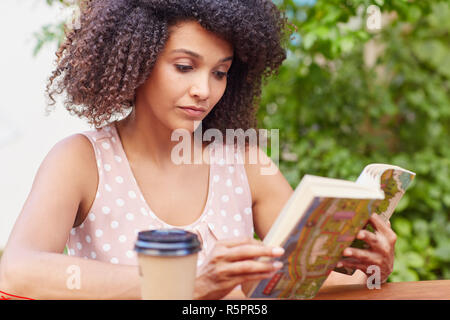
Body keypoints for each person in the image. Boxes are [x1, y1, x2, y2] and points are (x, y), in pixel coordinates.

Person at [0, 0, 397, 300]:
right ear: (137, 61)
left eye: (220, 72)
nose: (204, 90)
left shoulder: (244, 161)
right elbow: (17, 270)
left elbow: (290, 278)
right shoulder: (83, 160)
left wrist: (367, 272)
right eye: (185, 66)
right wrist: (181, 282)